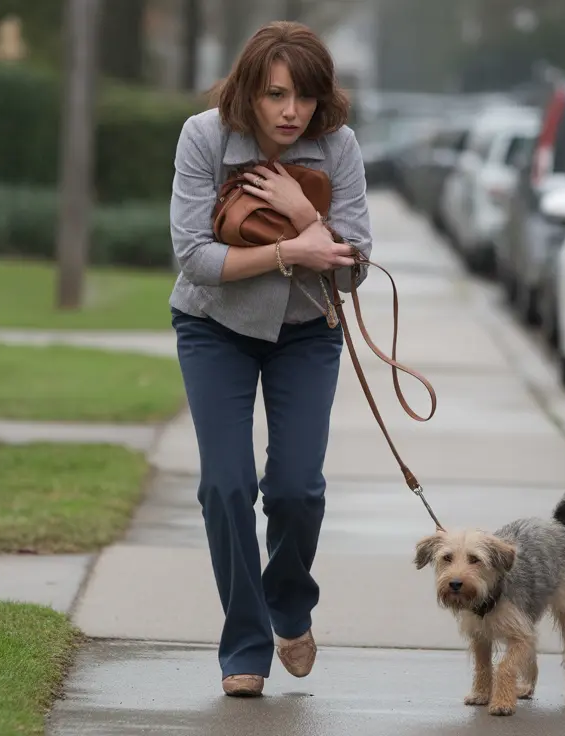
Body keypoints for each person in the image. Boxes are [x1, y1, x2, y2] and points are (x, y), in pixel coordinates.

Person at [166, 20, 373, 698]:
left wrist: (301, 213)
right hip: (214, 329)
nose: (292, 112)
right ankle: (245, 644)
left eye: (305, 98)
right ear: (249, 90)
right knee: (225, 485)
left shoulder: (338, 148)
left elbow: (353, 268)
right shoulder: (203, 137)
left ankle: (289, 602)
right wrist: (292, 250)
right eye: (277, 94)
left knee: (296, 489)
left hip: (307, 333)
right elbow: (195, 260)